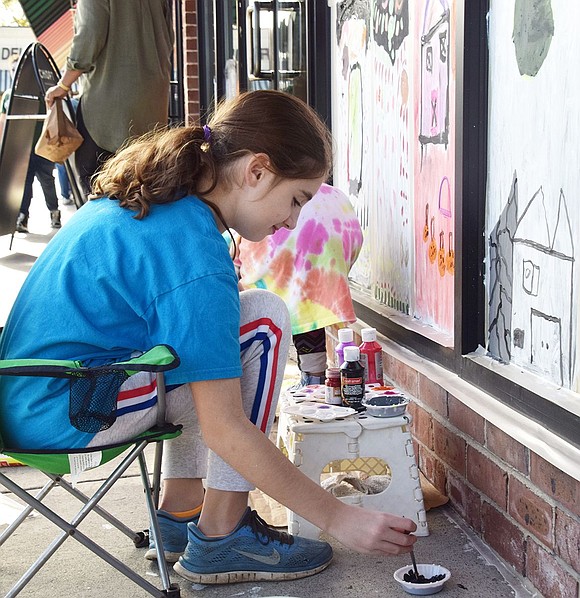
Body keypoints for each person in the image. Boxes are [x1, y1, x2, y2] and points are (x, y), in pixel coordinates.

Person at [0, 90, 416, 586]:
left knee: (223, 335)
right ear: (256, 171)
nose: (291, 222)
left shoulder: (160, 203)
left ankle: (180, 517)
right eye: (297, 200)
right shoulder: (192, 245)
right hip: (67, 411)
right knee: (262, 319)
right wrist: (341, 518)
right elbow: (224, 428)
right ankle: (221, 533)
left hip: (31, 400)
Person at [236, 183, 363, 387]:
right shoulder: (323, 190)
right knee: (309, 309)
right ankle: (314, 377)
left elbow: (230, 261)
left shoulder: (250, 198)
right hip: (338, 230)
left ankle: (310, 379)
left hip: (282, 247)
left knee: (285, 303)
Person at [44, 0, 173, 196]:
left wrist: (63, 85)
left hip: (108, 113)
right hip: (153, 109)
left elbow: (89, 36)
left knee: (98, 189)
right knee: (147, 189)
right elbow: (168, 39)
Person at [1, 86, 61, 232]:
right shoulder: (9, 94)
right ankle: (23, 216)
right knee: (25, 182)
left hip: (42, 146)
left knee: (46, 181)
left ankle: (54, 211)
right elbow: (3, 120)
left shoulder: (43, 92)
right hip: (21, 147)